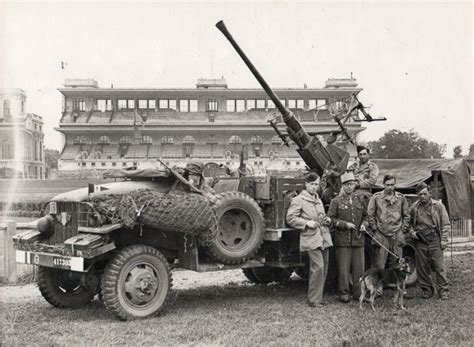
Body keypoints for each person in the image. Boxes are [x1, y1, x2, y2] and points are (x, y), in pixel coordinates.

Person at [286, 173, 333, 307]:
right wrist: (307, 223)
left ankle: (318, 297)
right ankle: (313, 299)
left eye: (316, 184)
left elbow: (321, 215)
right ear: (306, 184)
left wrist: (326, 219)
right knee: (318, 267)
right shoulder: (299, 200)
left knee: (324, 268)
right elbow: (290, 218)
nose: (314, 187)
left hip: (323, 236)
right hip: (311, 238)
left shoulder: (318, 199)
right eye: (312, 184)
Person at [327, 171, 368, 302]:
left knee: (359, 270)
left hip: (358, 240)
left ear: (355, 185)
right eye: (347, 184)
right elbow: (330, 220)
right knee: (343, 270)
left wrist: (364, 224)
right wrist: (345, 225)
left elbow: (367, 216)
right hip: (343, 241)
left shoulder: (360, 199)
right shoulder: (336, 201)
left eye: (351, 184)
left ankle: (358, 294)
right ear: (342, 186)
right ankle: (344, 293)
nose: (349, 187)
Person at [367, 174, 410, 295]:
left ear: (395, 185)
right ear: (383, 185)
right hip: (381, 233)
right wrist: (375, 229)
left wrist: (402, 230)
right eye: (388, 185)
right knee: (379, 263)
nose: (390, 187)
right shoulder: (376, 198)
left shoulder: (401, 198)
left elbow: (406, 215)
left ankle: (400, 287)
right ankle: (378, 288)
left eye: (392, 185)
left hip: (396, 234)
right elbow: (370, 214)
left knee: (398, 263)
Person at [409, 182, 450, 300]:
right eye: (420, 194)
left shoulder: (438, 206)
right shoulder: (414, 207)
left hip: (435, 239)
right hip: (421, 240)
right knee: (422, 266)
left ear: (429, 193)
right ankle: (427, 289)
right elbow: (409, 223)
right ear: (417, 195)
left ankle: (443, 291)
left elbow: (445, 224)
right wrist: (412, 232)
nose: (422, 196)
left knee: (439, 266)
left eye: (425, 194)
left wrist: (444, 240)